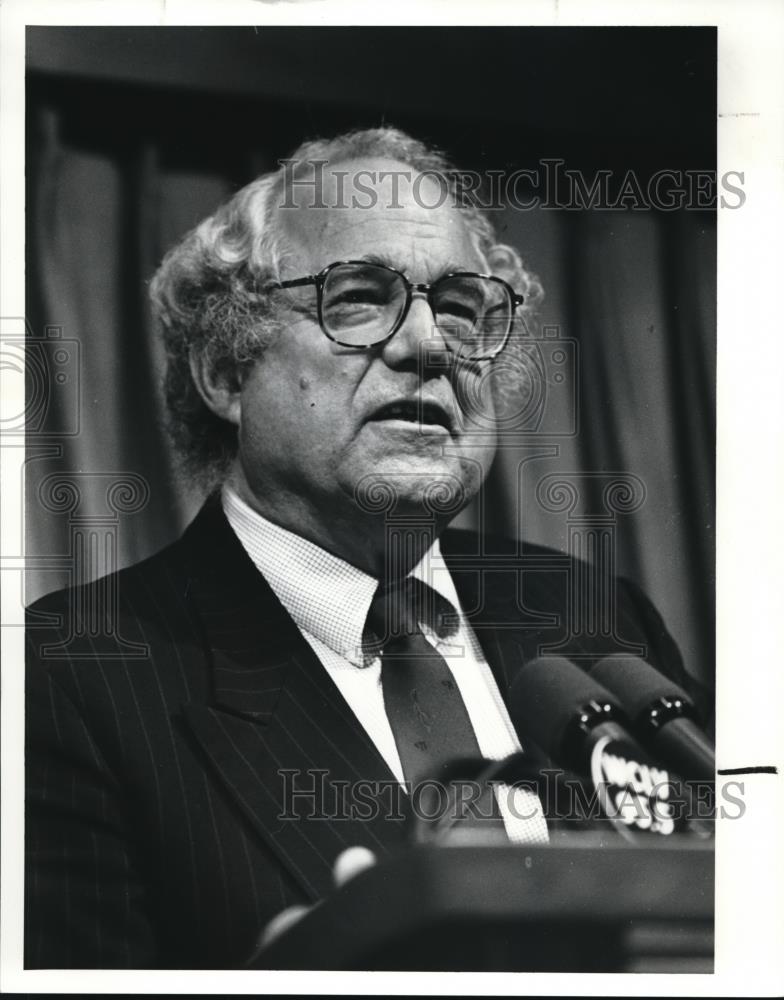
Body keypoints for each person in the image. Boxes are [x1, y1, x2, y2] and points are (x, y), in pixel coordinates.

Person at [25, 126, 695, 969]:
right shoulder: (70, 677)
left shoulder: (596, 616)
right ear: (227, 372)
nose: (427, 345)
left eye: (460, 307)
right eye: (358, 298)